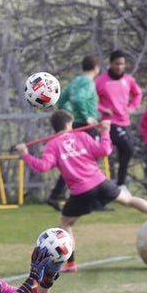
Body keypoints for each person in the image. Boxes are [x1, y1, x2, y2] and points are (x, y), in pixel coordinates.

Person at [15, 110, 147, 273]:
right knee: (128, 200)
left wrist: (25, 155)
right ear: (68, 123)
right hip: (100, 183)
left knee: (65, 223)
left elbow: (43, 167)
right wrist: (105, 132)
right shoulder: (82, 136)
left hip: (81, 191)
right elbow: (105, 151)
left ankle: (71, 264)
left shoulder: (52, 145)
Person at [46, 54, 101, 211]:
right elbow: (78, 99)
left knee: (72, 161)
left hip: (75, 124)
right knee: (89, 161)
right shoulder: (88, 83)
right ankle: (93, 199)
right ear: (96, 68)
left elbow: (61, 100)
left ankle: (55, 195)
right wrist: (87, 117)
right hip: (86, 126)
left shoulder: (76, 81)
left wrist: (70, 115)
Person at [94, 49, 143, 186]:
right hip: (109, 123)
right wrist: (103, 109)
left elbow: (138, 94)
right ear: (110, 64)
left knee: (125, 152)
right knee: (127, 149)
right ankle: (113, 185)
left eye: (122, 64)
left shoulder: (128, 80)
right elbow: (91, 99)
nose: (119, 67)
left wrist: (132, 108)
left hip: (125, 122)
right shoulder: (101, 81)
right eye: (117, 64)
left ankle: (119, 186)